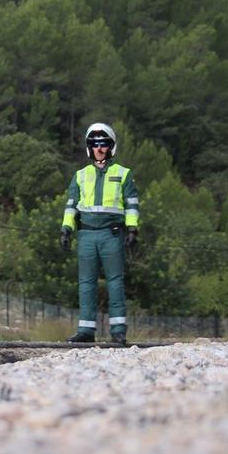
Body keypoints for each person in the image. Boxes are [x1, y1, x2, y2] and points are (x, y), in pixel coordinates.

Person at [59, 123, 139, 344]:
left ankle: (118, 331)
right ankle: (86, 330)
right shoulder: (80, 175)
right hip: (86, 235)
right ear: (89, 147)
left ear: (111, 147)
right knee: (86, 283)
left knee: (115, 282)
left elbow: (132, 205)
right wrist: (66, 229)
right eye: (95, 145)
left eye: (104, 144)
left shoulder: (123, 174)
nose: (99, 149)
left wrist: (132, 228)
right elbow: (71, 205)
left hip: (112, 234)